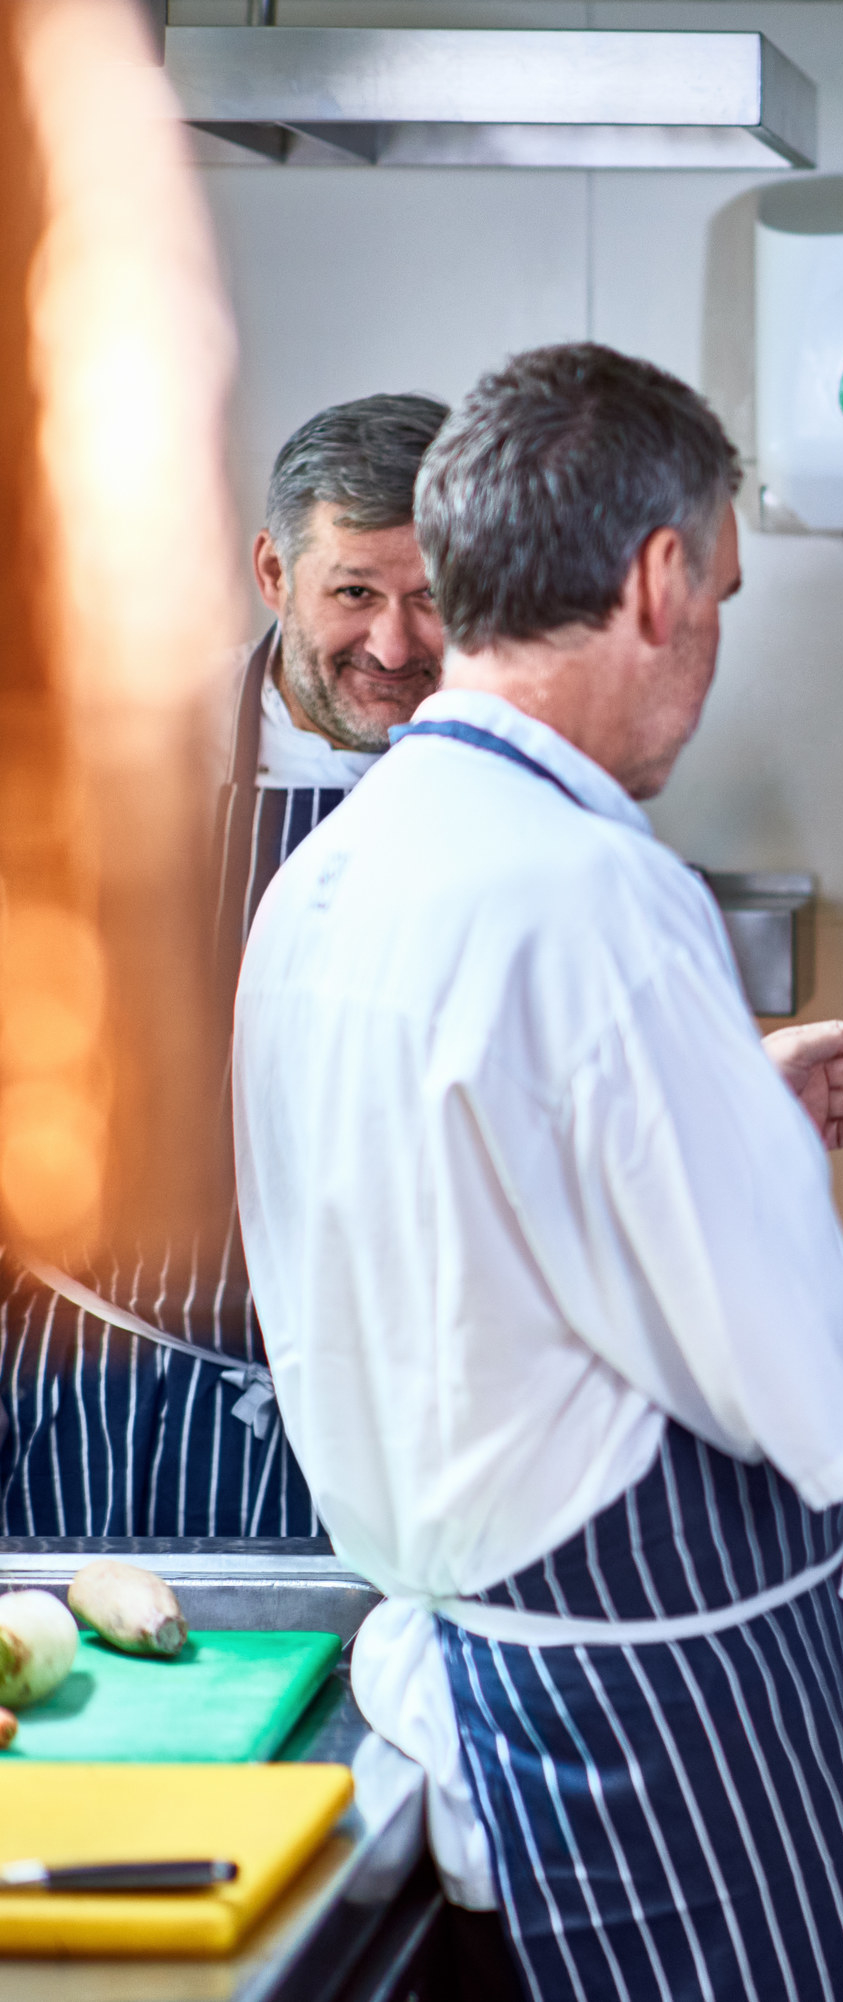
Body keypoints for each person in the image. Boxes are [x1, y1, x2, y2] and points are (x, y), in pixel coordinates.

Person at [232, 343, 843, 2002]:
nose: (707, 649)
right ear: (659, 576)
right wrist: (741, 1140)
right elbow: (809, 1393)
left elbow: (453, 1207)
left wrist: (714, 1105)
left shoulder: (336, 874)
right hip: (669, 1744)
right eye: (724, 595)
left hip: (485, 1679)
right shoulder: (594, 891)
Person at [0, 390, 447, 1538]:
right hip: (100, 1392)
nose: (394, 647)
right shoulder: (128, 771)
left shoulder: (511, 791)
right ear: (271, 571)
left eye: (431, 599)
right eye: (353, 592)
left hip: (379, 1419)